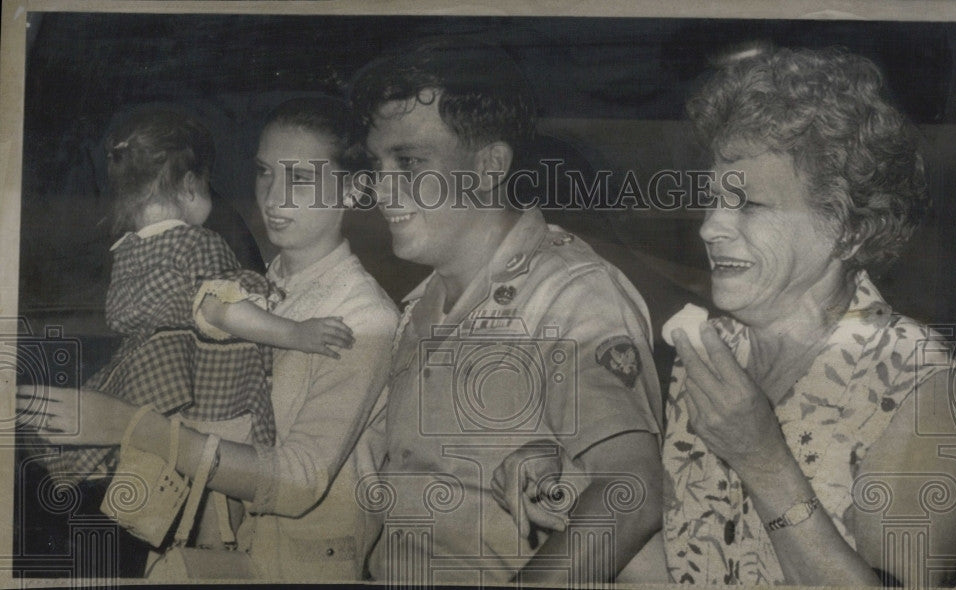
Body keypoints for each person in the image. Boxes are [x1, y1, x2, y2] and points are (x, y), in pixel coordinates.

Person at [20, 97, 400, 581]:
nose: (273, 197)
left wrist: (130, 427)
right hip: (213, 549)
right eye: (265, 172)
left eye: (301, 178)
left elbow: (300, 481)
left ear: (353, 192)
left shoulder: (363, 314)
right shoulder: (251, 282)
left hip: (299, 569)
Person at [655, 47, 956, 586]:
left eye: (750, 205)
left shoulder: (925, 387)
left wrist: (763, 461)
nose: (709, 228)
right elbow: (683, 560)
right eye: (714, 199)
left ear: (848, 228)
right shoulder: (713, 350)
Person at [350, 37, 663, 585]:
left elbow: (631, 495)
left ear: (490, 164)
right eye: (378, 164)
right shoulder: (419, 307)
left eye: (409, 162)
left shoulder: (570, 296)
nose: (382, 188)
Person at [43, 107, 352, 491]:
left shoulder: (127, 251)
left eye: (299, 177)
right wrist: (297, 334)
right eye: (208, 187)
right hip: (202, 387)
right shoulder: (197, 243)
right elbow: (220, 309)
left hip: (143, 378)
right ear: (190, 187)